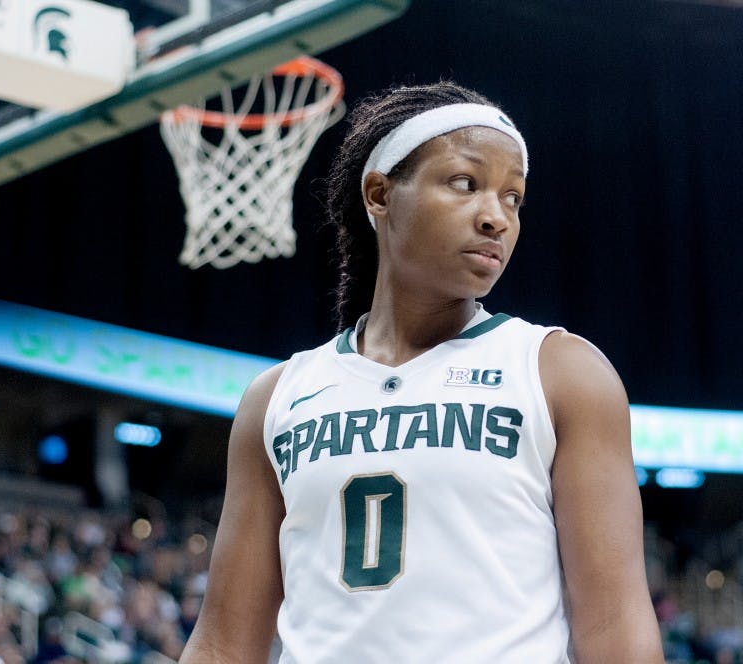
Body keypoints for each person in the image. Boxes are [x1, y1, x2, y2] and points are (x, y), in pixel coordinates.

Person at [180, 82, 665, 663]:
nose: (496, 218)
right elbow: (224, 644)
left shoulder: (561, 373)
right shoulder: (278, 396)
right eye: (466, 183)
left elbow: (615, 625)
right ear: (380, 194)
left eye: (513, 198)